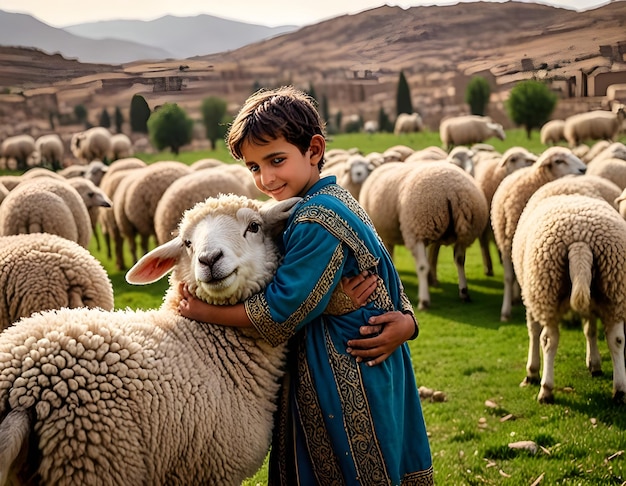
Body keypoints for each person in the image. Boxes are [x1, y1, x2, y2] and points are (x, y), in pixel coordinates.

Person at [178, 86, 433, 485]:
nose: (266, 177)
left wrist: (202, 311)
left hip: (345, 368)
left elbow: (280, 313)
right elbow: (388, 275)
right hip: (373, 360)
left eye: (276, 160)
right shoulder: (335, 200)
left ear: (314, 150)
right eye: (254, 167)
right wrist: (408, 321)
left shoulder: (316, 218)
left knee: (351, 468)